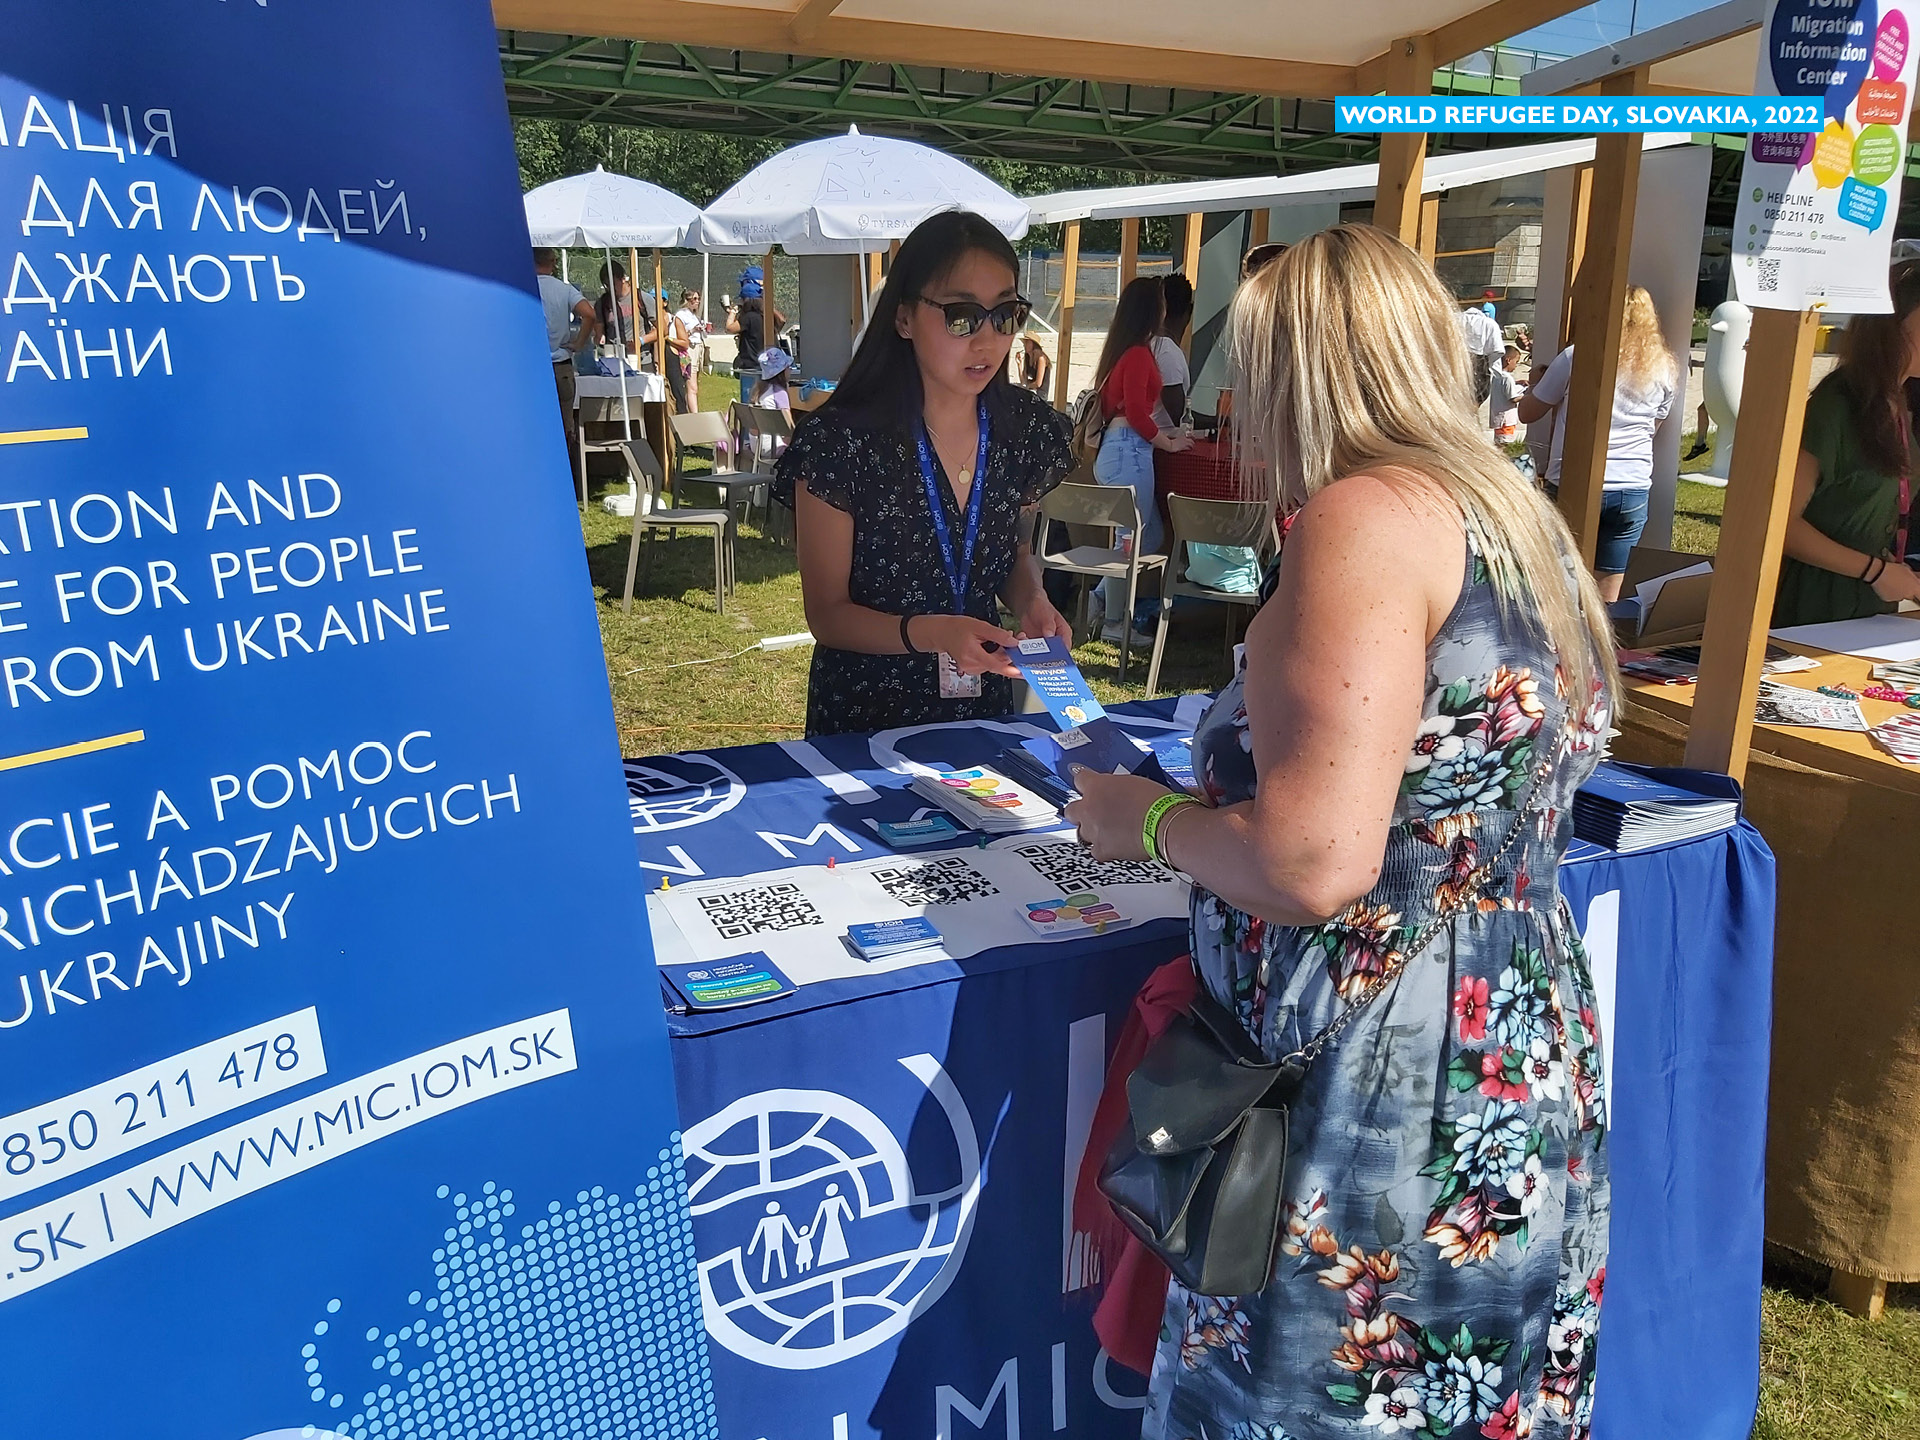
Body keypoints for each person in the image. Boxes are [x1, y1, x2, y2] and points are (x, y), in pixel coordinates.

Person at [1065, 223, 1615, 1440]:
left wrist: (1143, 819)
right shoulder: (1515, 518)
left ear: (1296, 373)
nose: (1227, 412)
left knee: (1326, 1399)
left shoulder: (1364, 521)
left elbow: (1312, 860)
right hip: (1505, 1045)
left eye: (1245, 374)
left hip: (1376, 1074)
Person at [780, 210, 1073, 737]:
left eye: (1005, 314)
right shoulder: (840, 442)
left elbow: (1013, 552)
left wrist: (1032, 602)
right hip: (864, 723)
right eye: (962, 315)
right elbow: (826, 613)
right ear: (904, 317)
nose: (986, 340)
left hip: (982, 715)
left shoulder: (1023, 430)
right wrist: (932, 633)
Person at [1773, 259, 1920, 625]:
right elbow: (1778, 525)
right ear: (1892, 324)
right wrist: (1874, 571)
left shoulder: (1899, 400)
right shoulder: (1835, 405)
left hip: (1870, 614)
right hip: (1814, 613)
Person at [1519, 286, 1678, 602]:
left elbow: (1527, 413)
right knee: (1608, 595)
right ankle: (1601, 648)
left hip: (1573, 481)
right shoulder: (1665, 367)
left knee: (1560, 586)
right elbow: (1653, 428)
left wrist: (1537, 382)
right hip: (1631, 487)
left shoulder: (1576, 356)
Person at [1092, 276, 1192, 645]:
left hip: (1124, 449)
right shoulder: (1136, 354)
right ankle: (1115, 622)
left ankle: (1102, 601)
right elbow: (1135, 409)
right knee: (1132, 536)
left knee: (1146, 534)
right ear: (1154, 309)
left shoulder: (1127, 351)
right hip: (1129, 449)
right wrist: (1167, 442)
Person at [534, 247, 596, 482]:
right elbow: (589, 314)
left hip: (533, 367)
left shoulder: (524, 286)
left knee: (536, 425)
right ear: (552, 263)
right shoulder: (563, 289)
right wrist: (579, 343)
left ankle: (540, 476)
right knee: (565, 426)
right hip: (561, 365)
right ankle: (566, 478)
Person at [728, 265, 789, 404]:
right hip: (770, 365)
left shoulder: (748, 317)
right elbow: (782, 321)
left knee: (752, 400)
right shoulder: (767, 316)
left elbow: (729, 328)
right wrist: (766, 303)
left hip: (752, 364)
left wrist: (732, 312)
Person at [1152, 274, 1195, 430]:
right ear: (1189, 310)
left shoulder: (1158, 345)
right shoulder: (1166, 351)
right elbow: (1179, 415)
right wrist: (1223, 420)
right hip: (1160, 445)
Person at [594, 259, 655, 364]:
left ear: (623, 279)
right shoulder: (602, 303)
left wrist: (640, 341)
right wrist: (600, 338)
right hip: (614, 360)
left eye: (612, 283)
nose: (609, 288)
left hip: (641, 360)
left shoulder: (641, 298)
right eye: (606, 285)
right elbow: (599, 332)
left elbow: (663, 330)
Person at [750, 346, 794, 462]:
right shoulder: (779, 392)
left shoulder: (758, 390)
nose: (790, 370)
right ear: (782, 372)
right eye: (788, 367)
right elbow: (788, 426)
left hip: (757, 445)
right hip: (773, 447)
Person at [1458, 297, 1504, 406]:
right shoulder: (1489, 323)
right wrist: (1496, 368)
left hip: (1466, 358)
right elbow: (1496, 348)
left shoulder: (1457, 319)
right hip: (1476, 360)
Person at [675, 289, 711, 411]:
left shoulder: (693, 315)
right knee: (692, 385)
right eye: (694, 299)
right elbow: (678, 336)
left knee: (694, 385)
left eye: (698, 298)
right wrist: (693, 330)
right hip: (689, 349)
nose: (697, 301)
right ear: (687, 300)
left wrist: (703, 329)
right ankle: (694, 415)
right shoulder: (680, 315)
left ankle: (693, 411)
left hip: (698, 348)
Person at [1489, 343, 1527, 446]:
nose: (1516, 365)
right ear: (1509, 360)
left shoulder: (1497, 376)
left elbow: (1504, 389)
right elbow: (1512, 398)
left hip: (1498, 417)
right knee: (1505, 444)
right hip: (1506, 420)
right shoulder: (1507, 378)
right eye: (1516, 362)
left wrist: (1517, 383)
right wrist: (1526, 396)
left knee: (1498, 444)